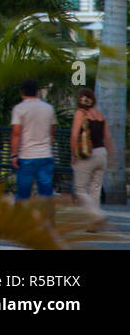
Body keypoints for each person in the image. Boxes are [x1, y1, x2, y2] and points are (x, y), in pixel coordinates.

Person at [70, 86, 113, 229]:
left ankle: (97, 215)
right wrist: (110, 156)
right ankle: (93, 224)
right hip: (102, 154)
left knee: (80, 190)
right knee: (95, 190)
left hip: (87, 154)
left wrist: (73, 154)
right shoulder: (101, 115)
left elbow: (75, 135)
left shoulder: (80, 114)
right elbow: (107, 138)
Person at [10, 79, 56, 201]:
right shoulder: (48, 108)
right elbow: (52, 131)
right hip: (45, 154)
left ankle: (22, 217)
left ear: (22, 92)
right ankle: (47, 217)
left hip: (26, 156)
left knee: (23, 193)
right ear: (37, 92)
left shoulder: (19, 109)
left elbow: (16, 133)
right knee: (46, 193)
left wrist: (14, 154)